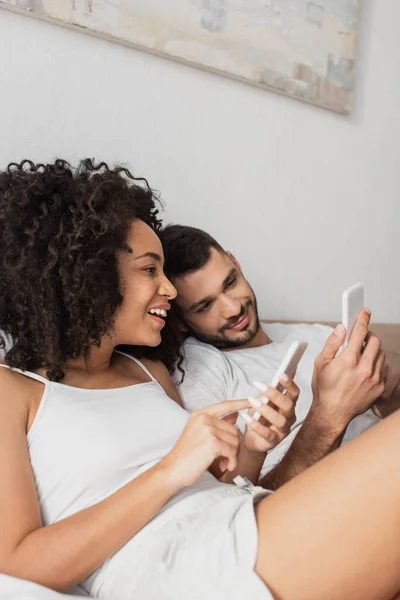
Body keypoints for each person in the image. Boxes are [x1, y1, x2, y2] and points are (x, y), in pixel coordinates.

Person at [1, 160, 400, 600]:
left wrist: (251, 448)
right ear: (88, 275)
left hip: (234, 520)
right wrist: (170, 470)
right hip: (177, 566)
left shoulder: (149, 373)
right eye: (150, 270)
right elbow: (18, 563)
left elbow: (215, 488)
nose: (169, 291)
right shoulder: (12, 391)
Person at [161, 224, 400, 488]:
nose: (233, 308)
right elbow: (239, 501)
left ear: (236, 264)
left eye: (230, 283)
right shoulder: (198, 370)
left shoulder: (320, 336)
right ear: (180, 322)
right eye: (205, 306)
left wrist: (386, 398)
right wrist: (330, 413)